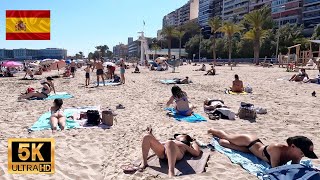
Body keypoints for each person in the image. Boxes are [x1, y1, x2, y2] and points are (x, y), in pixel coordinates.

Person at [208, 129, 318, 167]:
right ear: (293, 146)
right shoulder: (277, 149)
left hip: (252, 152)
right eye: (303, 152)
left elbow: (295, 168)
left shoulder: (297, 155)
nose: (303, 155)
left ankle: (226, 141)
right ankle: (212, 130)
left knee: (224, 143)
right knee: (226, 137)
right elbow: (275, 169)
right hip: (250, 142)